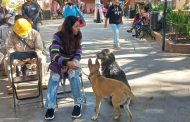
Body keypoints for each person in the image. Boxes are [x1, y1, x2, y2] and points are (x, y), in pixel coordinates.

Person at [45, 16, 84, 120]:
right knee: (55, 78)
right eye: (76, 26)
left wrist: (74, 62)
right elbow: (54, 55)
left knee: (73, 74)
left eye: (78, 26)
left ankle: (78, 103)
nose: (78, 28)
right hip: (59, 63)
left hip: (72, 63)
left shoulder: (78, 36)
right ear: (69, 27)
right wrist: (65, 63)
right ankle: (50, 106)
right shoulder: (57, 36)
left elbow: (78, 52)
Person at [5, 18, 47, 92]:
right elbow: (9, 49)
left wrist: (30, 57)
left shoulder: (35, 33)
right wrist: (18, 57)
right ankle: (12, 84)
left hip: (33, 57)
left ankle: (42, 81)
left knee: (42, 59)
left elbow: (39, 49)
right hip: (18, 58)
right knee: (7, 61)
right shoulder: (12, 35)